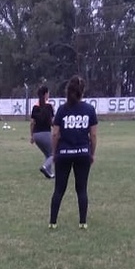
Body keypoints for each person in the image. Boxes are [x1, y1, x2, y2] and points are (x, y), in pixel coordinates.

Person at [49, 76, 98, 230]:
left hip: (63, 153)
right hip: (83, 152)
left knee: (59, 189)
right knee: (82, 189)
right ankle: (82, 223)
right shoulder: (89, 110)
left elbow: (55, 134)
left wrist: (54, 152)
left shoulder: (62, 110)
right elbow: (94, 135)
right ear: (82, 91)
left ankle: (53, 223)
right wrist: (92, 153)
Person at [30, 85, 55, 178]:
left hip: (36, 135)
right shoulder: (49, 106)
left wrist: (32, 136)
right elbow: (52, 122)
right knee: (54, 153)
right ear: (45, 94)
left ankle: (50, 173)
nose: (49, 95)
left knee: (48, 154)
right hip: (46, 133)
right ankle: (45, 167)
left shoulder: (35, 107)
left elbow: (32, 123)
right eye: (48, 93)